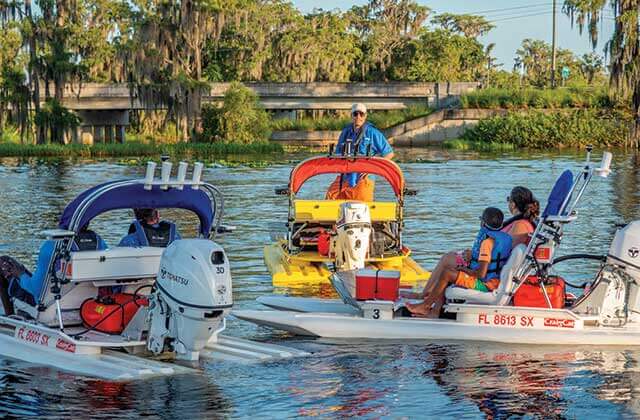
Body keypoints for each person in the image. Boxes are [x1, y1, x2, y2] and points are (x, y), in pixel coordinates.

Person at [406, 207, 512, 318]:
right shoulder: (506, 238)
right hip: (494, 280)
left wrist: (464, 269)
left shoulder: (487, 243)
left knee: (447, 273)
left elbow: (481, 274)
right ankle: (434, 311)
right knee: (449, 270)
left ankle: (425, 306)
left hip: (485, 284)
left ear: (483, 223)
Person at [0, 225, 107, 314]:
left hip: (50, 310)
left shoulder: (52, 245)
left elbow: (36, 290)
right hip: (88, 306)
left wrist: (20, 274)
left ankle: (8, 318)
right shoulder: (100, 244)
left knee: (3, 262)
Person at [325, 103, 394, 202]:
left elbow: (389, 154)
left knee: (361, 205)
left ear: (365, 116)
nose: (358, 117)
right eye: (355, 114)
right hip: (345, 176)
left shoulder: (373, 132)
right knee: (330, 198)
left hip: (364, 178)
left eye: (361, 114)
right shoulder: (346, 132)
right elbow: (338, 154)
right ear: (351, 116)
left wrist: (373, 168)